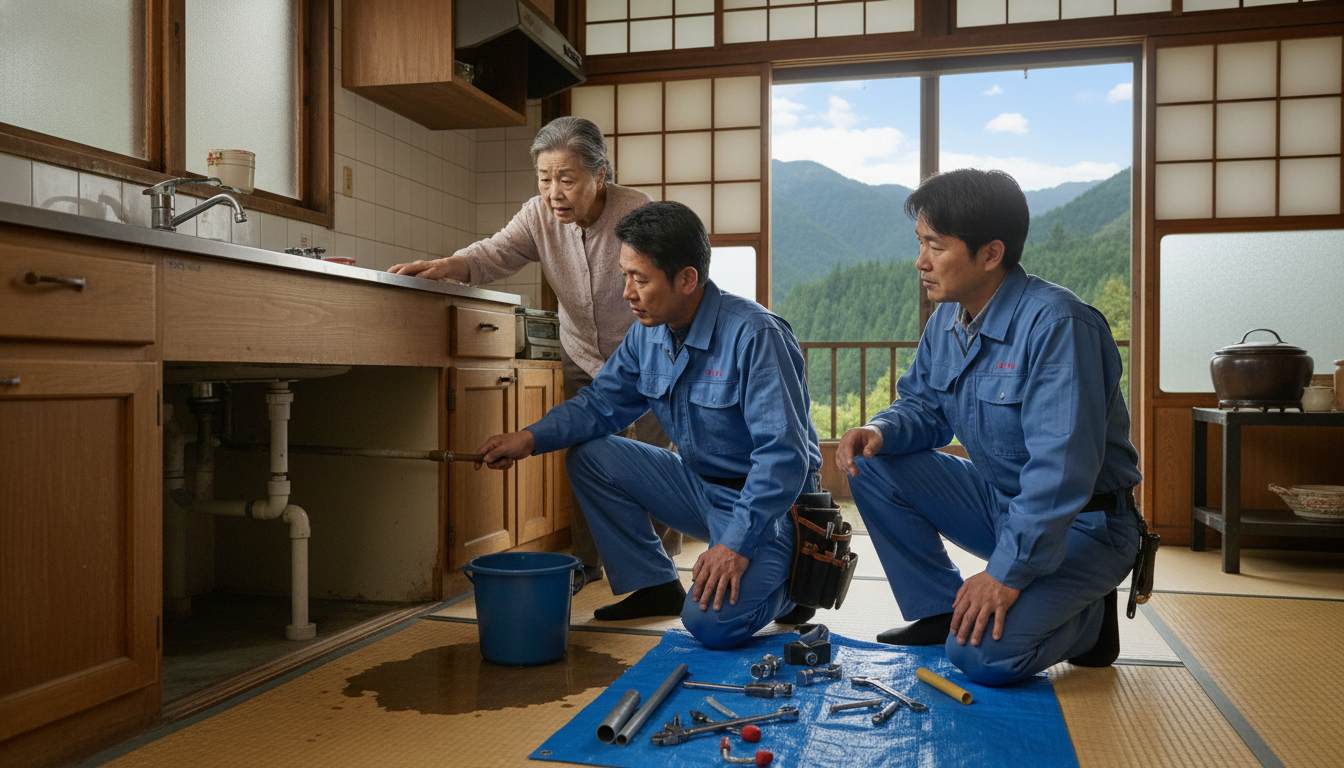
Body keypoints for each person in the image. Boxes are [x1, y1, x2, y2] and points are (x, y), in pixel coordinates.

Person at [835, 168, 1142, 686]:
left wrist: (1003, 575)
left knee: (981, 656)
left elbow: (1059, 476)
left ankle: (1090, 622)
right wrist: (881, 429)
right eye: (919, 243)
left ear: (991, 254)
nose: (921, 261)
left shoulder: (1059, 326)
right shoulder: (947, 320)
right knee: (872, 462)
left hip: (1083, 524)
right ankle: (939, 610)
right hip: (1000, 505)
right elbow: (924, 406)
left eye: (935, 246)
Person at [475, 201, 822, 649]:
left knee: (710, 625)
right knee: (592, 456)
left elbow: (783, 458)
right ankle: (655, 583)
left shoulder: (756, 335)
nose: (627, 293)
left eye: (639, 279)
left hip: (770, 505)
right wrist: (529, 438)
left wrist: (735, 545)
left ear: (687, 279)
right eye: (625, 276)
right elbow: (601, 404)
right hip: (699, 487)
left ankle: (798, 584)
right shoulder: (648, 333)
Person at [387, 116, 681, 583]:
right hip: (582, 352)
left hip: (648, 353)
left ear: (600, 175)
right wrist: (446, 265)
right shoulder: (536, 215)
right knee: (585, 456)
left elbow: (666, 281)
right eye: (544, 179)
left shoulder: (636, 211)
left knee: (654, 457)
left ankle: (658, 572)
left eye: (567, 179)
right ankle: (588, 563)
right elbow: (495, 253)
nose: (553, 193)